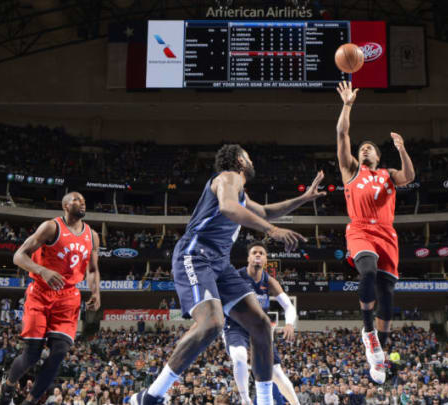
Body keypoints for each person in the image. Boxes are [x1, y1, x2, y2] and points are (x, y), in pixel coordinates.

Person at [132, 144, 325, 405]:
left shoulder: (241, 193)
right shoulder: (228, 178)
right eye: (248, 155)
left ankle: (265, 401)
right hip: (196, 255)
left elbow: (267, 212)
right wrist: (271, 230)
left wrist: (303, 199)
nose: (252, 159)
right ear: (239, 160)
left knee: (260, 325)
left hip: (220, 264)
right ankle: (152, 395)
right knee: (212, 323)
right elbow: (227, 208)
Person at [335, 81, 415, 383]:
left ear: (378, 156)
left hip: (387, 234)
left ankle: (379, 355)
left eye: (368, 147)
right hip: (360, 230)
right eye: (361, 148)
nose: (363, 148)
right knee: (366, 271)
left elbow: (408, 176)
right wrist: (347, 105)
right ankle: (367, 330)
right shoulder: (350, 170)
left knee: (388, 299)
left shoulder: (387, 174)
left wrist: (402, 149)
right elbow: (342, 134)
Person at [0, 192, 101, 405]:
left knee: (60, 352)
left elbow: (92, 269)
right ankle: (8, 386)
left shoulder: (92, 235)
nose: (81, 201)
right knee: (32, 355)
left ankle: (30, 401)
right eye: (76, 199)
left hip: (68, 295)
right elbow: (18, 256)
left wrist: (96, 292)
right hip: (41, 292)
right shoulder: (51, 227)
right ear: (65, 205)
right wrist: (42, 270)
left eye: (83, 199)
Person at [224, 241, 300, 405]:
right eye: (254, 252)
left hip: (259, 329)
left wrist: (289, 324)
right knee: (239, 357)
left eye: (261, 253)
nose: (258, 255)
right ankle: (245, 399)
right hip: (237, 326)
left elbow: (288, 306)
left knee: (277, 374)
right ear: (248, 258)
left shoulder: (269, 281)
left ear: (266, 260)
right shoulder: (236, 277)